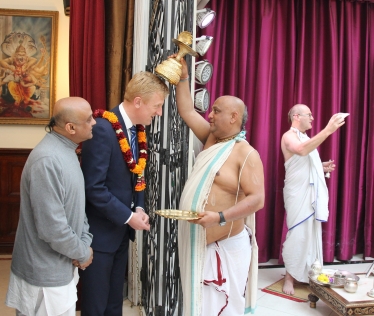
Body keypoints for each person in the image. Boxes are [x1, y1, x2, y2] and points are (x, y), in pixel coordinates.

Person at [174, 56, 265, 316]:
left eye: (216, 111)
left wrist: (220, 217)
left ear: (234, 117)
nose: (209, 115)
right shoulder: (212, 139)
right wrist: (182, 77)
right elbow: (187, 111)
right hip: (198, 243)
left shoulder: (246, 154)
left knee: (222, 310)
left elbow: (257, 199)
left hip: (225, 247)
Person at [80, 71, 169, 316]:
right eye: (157, 106)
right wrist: (128, 217)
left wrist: (138, 208)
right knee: (95, 304)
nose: (159, 113)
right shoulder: (102, 129)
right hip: (99, 236)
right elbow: (93, 188)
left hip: (120, 233)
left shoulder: (138, 131)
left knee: (114, 302)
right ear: (138, 101)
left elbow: (137, 176)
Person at [5, 97, 95, 316]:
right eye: (89, 119)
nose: (94, 123)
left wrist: (84, 242)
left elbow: (77, 206)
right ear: (70, 127)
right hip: (44, 273)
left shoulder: (67, 150)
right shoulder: (47, 160)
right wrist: (83, 252)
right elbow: (51, 228)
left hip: (62, 265)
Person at [281, 104, 346, 295]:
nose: (313, 118)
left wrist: (320, 166)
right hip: (297, 193)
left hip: (309, 194)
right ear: (296, 116)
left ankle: (311, 272)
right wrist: (328, 130)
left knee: (310, 232)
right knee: (298, 233)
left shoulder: (306, 138)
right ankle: (289, 277)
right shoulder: (289, 136)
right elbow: (300, 151)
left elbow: (306, 159)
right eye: (309, 115)